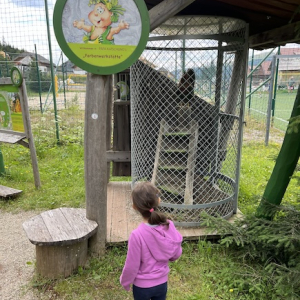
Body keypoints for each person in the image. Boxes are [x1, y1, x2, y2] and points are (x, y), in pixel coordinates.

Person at [120, 182, 183, 300]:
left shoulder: (136, 235)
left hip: (141, 288)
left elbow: (132, 265)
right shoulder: (169, 225)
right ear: (158, 201)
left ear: (134, 207)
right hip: (162, 284)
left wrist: (125, 281)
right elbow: (176, 252)